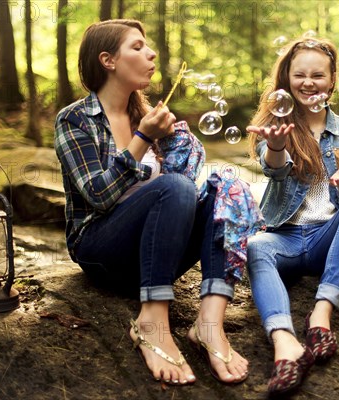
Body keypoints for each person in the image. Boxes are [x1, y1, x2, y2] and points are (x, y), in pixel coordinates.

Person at [54, 19, 252, 386]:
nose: (152, 53)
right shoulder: (75, 120)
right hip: (102, 250)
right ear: (108, 60)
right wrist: (143, 138)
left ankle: (209, 325)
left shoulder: (146, 117)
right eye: (138, 46)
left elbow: (184, 198)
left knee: (229, 187)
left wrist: (177, 145)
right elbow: (98, 195)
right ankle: (152, 320)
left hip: (155, 255)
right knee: (174, 187)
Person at [246, 38, 339, 396]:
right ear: (287, 78)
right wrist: (275, 147)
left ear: (332, 80)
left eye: (318, 75)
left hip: (327, 241)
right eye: (299, 74)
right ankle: (285, 343)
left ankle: (320, 315)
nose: (308, 82)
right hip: (285, 237)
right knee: (256, 247)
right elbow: (274, 170)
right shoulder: (275, 124)